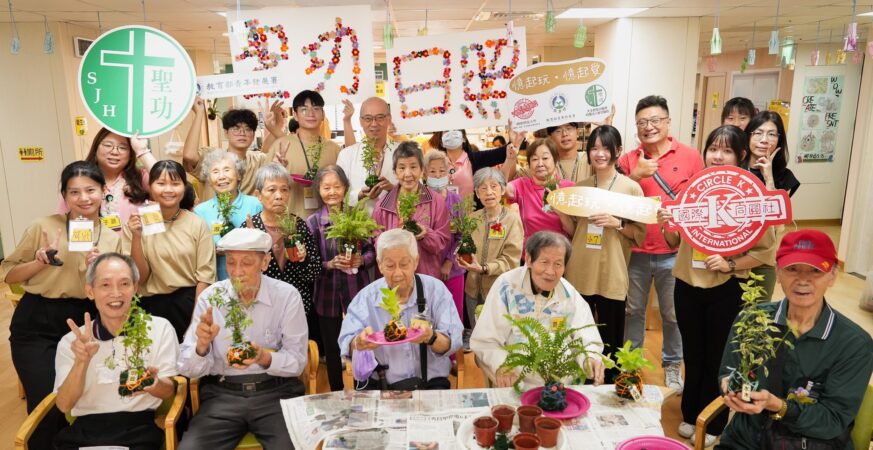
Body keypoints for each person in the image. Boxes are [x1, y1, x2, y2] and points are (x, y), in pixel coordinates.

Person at [659, 125, 777, 446]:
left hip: (727, 288)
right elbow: (674, 241)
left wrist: (731, 264)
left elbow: (766, 250)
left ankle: (714, 421)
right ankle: (689, 414)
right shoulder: (694, 189)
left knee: (717, 357)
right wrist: (666, 224)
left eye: (726, 151)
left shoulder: (750, 193)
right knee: (693, 353)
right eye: (713, 149)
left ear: (741, 155)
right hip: (687, 284)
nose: (718, 156)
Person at [1, 161, 122, 450]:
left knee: (83, 400)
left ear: (103, 191)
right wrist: (39, 262)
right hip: (37, 321)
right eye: (74, 192)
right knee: (45, 402)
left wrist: (100, 269)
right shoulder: (43, 226)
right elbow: (8, 274)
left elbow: (117, 290)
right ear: (64, 196)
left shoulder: (112, 235)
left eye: (90, 190)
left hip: (86, 321)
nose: (84, 198)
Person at [716, 230, 873, 450]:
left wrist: (779, 406)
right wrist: (729, 387)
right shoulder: (752, 319)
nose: (802, 280)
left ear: (833, 275)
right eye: (792, 269)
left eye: (815, 270)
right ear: (778, 272)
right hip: (746, 439)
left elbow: (832, 420)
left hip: (811, 443)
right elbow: (728, 372)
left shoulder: (854, 343)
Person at [178, 228, 308, 449]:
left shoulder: (287, 296)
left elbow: (297, 361)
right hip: (222, 396)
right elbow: (188, 369)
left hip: (276, 394)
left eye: (246, 263)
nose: (237, 272)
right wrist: (201, 346)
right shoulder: (211, 297)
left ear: (265, 262)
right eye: (230, 262)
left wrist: (264, 357)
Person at [616, 95, 705, 393]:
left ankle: (672, 365)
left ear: (668, 122)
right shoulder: (629, 160)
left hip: (675, 252)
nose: (649, 127)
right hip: (635, 250)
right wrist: (635, 175)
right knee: (633, 311)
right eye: (642, 122)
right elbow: (615, 201)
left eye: (655, 120)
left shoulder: (690, 156)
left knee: (672, 313)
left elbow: (700, 200)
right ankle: (630, 365)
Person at [53, 253, 179, 450]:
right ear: (90, 291)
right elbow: (63, 405)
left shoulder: (160, 328)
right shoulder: (72, 341)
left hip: (139, 429)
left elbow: (168, 391)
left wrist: (152, 383)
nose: (116, 293)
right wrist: (81, 361)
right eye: (105, 285)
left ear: (135, 288)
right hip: (84, 431)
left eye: (124, 284)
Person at [559, 126, 646, 382]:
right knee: (579, 333)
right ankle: (580, 382)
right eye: (594, 148)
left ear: (618, 151)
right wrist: (560, 211)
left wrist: (617, 223)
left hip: (612, 273)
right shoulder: (581, 188)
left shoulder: (631, 188)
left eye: (606, 148)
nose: (600, 154)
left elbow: (639, 235)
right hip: (580, 270)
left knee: (611, 337)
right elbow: (574, 230)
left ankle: (608, 385)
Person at [470, 231, 605, 387]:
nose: (550, 271)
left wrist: (590, 358)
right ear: (529, 259)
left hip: (560, 386)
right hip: (515, 382)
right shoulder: (506, 287)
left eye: (558, 264)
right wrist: (502, 364)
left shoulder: (569, 295)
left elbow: (587, 337)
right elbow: (486, 340)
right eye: (544, 262)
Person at [338, 229, 463, 390]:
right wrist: (358, 342)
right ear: (380, 265)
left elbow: (453, 342)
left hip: (430, 385)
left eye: (404, 264)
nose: (398, 273)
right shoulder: (365, 298)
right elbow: (346, 343)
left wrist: (431, 337)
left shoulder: (436, 290)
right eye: (390, 265)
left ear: (416, 261)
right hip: (383, 387)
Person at [124, 161, 216, 342]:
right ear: (150, 187)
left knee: (189, 358)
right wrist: (136, 237)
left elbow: (205, 278)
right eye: (161, 183)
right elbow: (139, 278)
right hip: (149, 308)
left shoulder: (197, 224)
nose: (168, 189)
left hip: (188, 306)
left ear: (184, 187)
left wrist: (196, 321)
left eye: (175, 183)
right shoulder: (136, 224)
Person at [307, 165, 376, 391]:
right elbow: (310, 263)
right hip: (326, 296)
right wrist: (329, 264)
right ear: (318, 190)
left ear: (345, 188)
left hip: (356, 292)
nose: (332, 192)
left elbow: (372, 251)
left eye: (337, 187)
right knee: (332, 349)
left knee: (361, 344)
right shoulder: (313, 222)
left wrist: (361, 260)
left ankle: (362, 389)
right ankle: (336, 393)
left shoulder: (358, 216)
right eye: (326, 187)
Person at [245, 163, 322, 352]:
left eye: (284, 190)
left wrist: (303, 260)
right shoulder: (249, 227)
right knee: (263, 357)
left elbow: (314, 273)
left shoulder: (299, 225)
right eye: (272, 190)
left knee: (295, 357)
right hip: (261, 307)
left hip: (296, 306)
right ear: (258, 195)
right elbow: (243, 275)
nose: (279, 195)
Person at [456, 168, 523, 333]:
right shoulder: (473, 218)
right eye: (483, 188)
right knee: (477, 336)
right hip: (472, 290)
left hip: (500, 291)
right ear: (477, 193)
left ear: (502, 190)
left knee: (499, 338)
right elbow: (466, 246)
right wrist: (460, 254)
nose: (489, 192)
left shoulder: (512, 219)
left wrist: (485, 268)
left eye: (494, 186)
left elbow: (511, 260)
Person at [372, 141, 451, 279]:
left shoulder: (436, 202)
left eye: (413, 167)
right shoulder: (382, 206)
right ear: (395, 172)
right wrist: (393, 240)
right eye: (402, 168)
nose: (408, 174)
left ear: (422, 170)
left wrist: (425, 235)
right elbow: (376, 241)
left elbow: (442, 243)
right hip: (393, 278)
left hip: (425, 276)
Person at [57, 128, 157, 232]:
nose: (114, 152)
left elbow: (164, 179)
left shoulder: (141, 177)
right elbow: (62, 223)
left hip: (136, 242)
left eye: (123, 147)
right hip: (93, 242)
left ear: (131, 154)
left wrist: (142, 151)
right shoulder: (78, 179)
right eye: (108, 145)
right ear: (96, 148)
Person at [265, 90, 341, 219]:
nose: (311, 113)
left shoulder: (334, 149)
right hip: (289, 222)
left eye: (316, 108)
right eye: (304, 109)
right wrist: (276, 171)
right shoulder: (281, 145)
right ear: (295, 115)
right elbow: (263, 184)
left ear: (323, 114)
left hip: (328, 224)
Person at [193, 151, 263, 281]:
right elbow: (196, 254)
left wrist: (254, 239)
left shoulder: (256, 204)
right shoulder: (200, 211)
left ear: (238, 175)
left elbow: (268, 245)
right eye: (215, 172)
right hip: (217, 282)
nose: (221, 176)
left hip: (252, 279)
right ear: (209, 180)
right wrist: (213, 250)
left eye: (227, 170)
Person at [182, 99, 271, 198]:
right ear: (226, 132)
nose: (242, 133)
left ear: (253, 135)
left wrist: (274, 129)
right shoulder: (212, 157)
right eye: (236, 128)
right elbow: (189, 155)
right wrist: (199, 113)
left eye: (248, 129)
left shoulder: (257, 160)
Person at [506, 138, 575, 248]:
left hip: (560, 253)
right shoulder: (522, 185)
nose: (540, 163)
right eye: (534, 159)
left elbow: (575, 232)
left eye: (545, 158)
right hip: (531, 253)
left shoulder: (569, 188)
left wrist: (561, 212)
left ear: (555, 160)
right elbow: (500, 188)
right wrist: (510, 159)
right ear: (529, 164)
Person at [336, 97, 399, 210]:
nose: (374, 124)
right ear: (361, 121)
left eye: (380, 117)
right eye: (368, 118)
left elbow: (416, 190)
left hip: (395, 219)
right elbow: (337, 194)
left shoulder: (403, 152)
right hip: (357, 220)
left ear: (389, 119)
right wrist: (359, 195)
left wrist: (393, 189)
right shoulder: (346, 155)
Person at [424, 151, 465, 322]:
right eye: (432, 171)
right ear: (424, 174)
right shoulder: (419, 200)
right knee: (430, 318)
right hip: (427, 270)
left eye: (442, 171)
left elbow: (463, 236)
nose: (437, 175)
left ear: (448, 173)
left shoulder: (456, 200)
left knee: (453, 316)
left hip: (452, 271)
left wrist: (449, 261)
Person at [428, 129, 516, 200]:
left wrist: (514, 141)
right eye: (447, 131)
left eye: (455, 130)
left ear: (463, 138)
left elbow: (504, 152)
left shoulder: (476, 159)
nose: (451, 133)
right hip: (444, 215)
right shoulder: (435, 163)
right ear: (441, 141)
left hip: (472, 215)